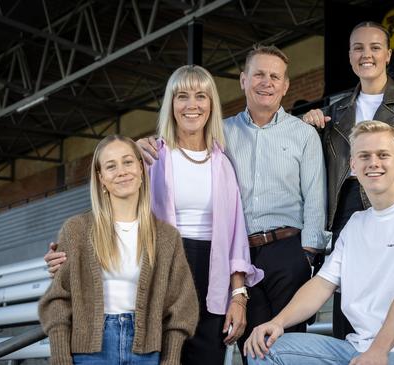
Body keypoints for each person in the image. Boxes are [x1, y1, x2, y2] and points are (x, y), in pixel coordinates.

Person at [44, 65, 264, 365]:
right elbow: (115, 207)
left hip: (210, 276)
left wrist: (238, 296)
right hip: (159, 271)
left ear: (211, 103)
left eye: (201, 96)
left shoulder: (223, 163)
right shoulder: (151, 157)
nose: (192, 105)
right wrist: (68, 251)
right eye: (182, 96)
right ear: (171, 104)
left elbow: (236, 236)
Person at [139, 45, 329, 358]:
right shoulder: (219, 136)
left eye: (274, 76)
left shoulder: (303, 133)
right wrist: (138, 147)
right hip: (238, 255)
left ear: (285, 85)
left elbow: (315, 198)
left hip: (287, 250)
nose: (266, 82)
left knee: (289, 349)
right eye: (258, 75)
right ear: (243, 80)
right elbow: (177, 144)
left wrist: (306, 257)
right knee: (249, 348)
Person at [243, 120, 394, 365]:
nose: (374, 163)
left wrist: (378, 351)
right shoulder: (356, 223)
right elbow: (321, 285)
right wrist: (276, 323)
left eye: (383, 155)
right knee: (263, 348)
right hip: (357, 348)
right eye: (364, 156)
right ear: (353, 167)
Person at [301, 21, 394, 339]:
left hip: (392, 202)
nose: (366, 54)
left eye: (374, 47)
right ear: (350, 56)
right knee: (349, 294)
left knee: (389, 287)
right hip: (346, 207)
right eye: (358, 48)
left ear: (388, 55)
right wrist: (308, 125)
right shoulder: (335, 113)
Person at [38, 135, 199, 365]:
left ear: (141, 170)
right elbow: (58, 300)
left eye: (128, 162)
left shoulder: (166, 237)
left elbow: (182, 304)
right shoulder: (76, 230)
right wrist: (61, 358)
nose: (121, 171)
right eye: (111, 166)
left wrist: (171, 358)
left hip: (146, 352)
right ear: (101, 178)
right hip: (91, 352)